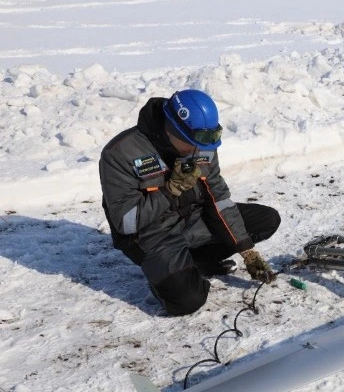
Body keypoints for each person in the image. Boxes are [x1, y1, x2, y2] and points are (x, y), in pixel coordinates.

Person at [99, 89, 281, 315]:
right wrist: (169, 191)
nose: (198, 150)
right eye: (191, 143)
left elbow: (219, 199)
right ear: (172, 129)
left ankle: (195, 262)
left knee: (266, 219)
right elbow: (126, 223)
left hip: (193, 222)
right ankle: (169, 278)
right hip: (153, 236)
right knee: (187, 301)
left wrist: (246, 250)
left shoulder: (204, 143)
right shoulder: (120, 153)